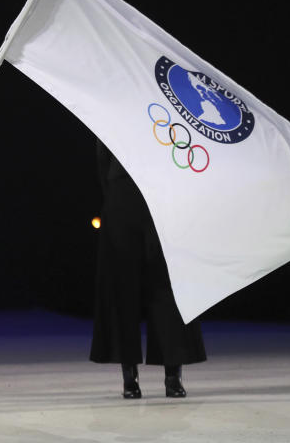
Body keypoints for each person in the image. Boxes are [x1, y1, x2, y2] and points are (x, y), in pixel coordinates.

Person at [90, 140, 206, 398]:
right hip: (123, 194)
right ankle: (129, 377)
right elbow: (102, 158)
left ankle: (172, 375)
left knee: (169, 286)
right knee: (122, 288)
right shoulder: (114, 106)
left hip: (166, 197)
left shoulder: (171, 102)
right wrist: (114, 194)